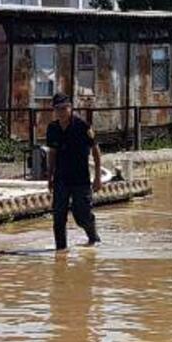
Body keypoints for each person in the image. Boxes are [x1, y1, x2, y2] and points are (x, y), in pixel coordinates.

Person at [42, 93, 103, 250]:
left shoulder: (82, 126)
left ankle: (93, 237)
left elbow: (96, 151)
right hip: (61, 178)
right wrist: (49, 177)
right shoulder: (53, 128)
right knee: (58, 217)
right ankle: (60, 252)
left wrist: (98, 178)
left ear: (70, 108)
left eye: (64, 108)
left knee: (81, 215)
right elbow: (52, 154)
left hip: (80, 179)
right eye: (58, 109)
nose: (61, 112)